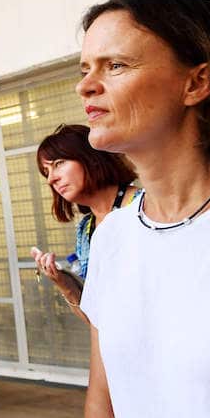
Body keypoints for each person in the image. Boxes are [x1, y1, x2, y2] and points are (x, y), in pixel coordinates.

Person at [77, 0, 210, 418]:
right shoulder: (116, 236)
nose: (86, 85)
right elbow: (103, 400)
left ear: (196, 82)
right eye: (85, 68)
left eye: (116, 65)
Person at [31, 124, 136, 323]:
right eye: (46, 171)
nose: (51, 179)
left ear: (91, 158)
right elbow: (96, 320)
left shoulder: (145, 205)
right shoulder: (85, 228)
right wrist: (63, 283)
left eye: (59, 163)